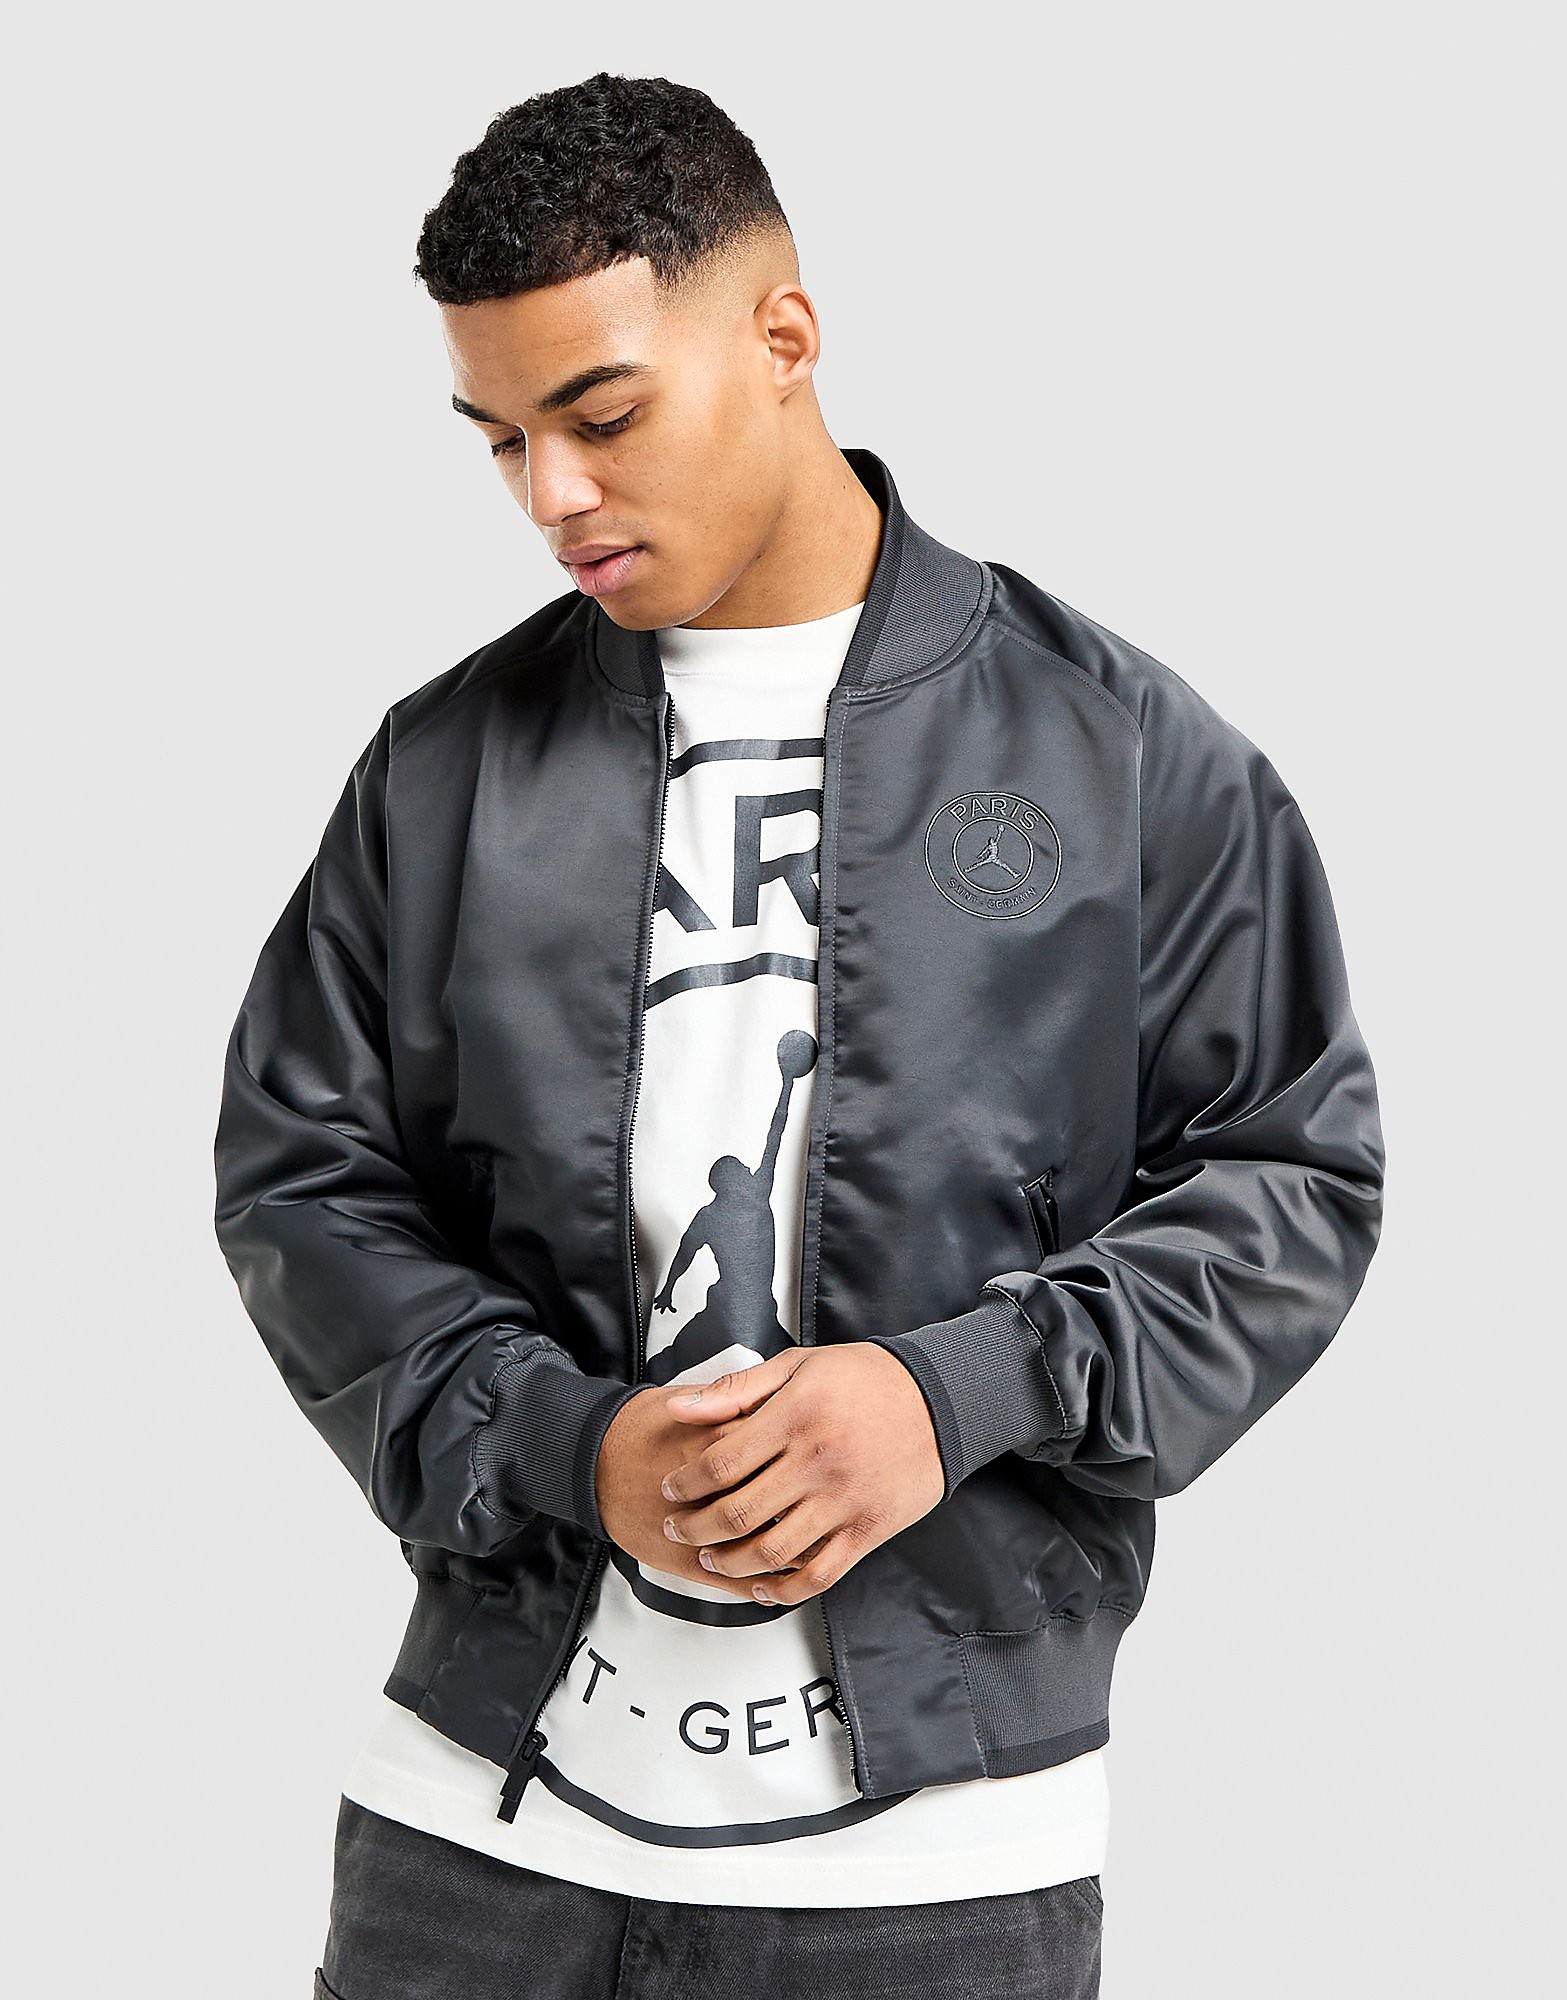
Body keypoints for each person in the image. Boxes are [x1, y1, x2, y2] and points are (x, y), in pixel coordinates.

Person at [213, 72, 1384, 2000]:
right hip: (477, 1840)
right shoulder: (444, 769)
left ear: (783, 336)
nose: (552, 496)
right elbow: (301, 1181)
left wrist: (961, 1393)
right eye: (500, 439)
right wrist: (563, 1442)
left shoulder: (1118, 754)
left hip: (941, 1862)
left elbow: (1293, 1177)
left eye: (600, 416)